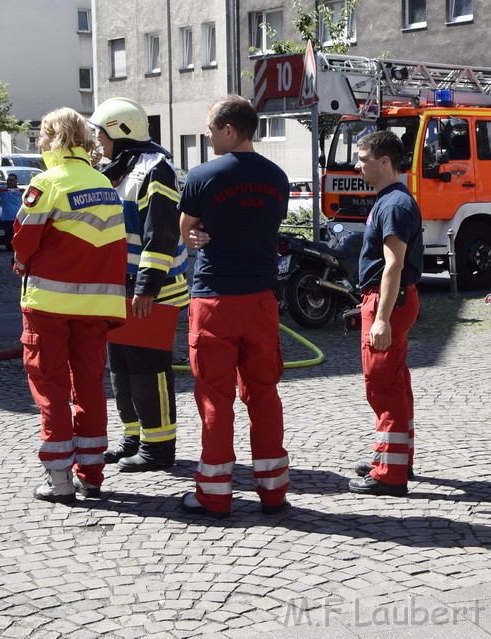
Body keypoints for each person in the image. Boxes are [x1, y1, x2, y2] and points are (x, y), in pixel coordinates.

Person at [178, 95, 289, 518]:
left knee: (214, 397)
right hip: (261, 298)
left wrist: (199, 234)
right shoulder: (277, 176)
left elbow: (184, 230)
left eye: (210, 129)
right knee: (263, 394)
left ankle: (214, 495)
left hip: (214, 299)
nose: (207, 136)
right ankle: (274, 491)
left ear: (229, 130)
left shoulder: (203, 176)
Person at [12, 107, 127, 504]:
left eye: (42, 136)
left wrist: (21, 265)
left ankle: (59, 479)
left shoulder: (46, 183)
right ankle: (91, 475)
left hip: (49, 305)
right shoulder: (104, 184)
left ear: (56, 138)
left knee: (51, 387)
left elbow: (23, 241)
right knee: (90, 387)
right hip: (95, 307)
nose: (40, 144)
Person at [89, 97, 190, 472]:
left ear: (120, 131)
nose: (97, 141)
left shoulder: (155, 169)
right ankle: (134, 437)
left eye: (101, 133)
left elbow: (160, 234)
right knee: (123, 368)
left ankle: (158, 448)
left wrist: (146, 287)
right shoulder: (116, 168)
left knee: (150, 371)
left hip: (153, 291)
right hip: (123, 289)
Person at [347, 130, 424, 497]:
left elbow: (393, 266)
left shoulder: (393, 204)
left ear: (384, 161)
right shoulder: (392, 200)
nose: (356, 164)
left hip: (385, 301)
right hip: (393, 300)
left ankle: (389, 475)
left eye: (362, 158)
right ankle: (395, 457)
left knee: (383, 385)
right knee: (396, 380)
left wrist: (379, 318)